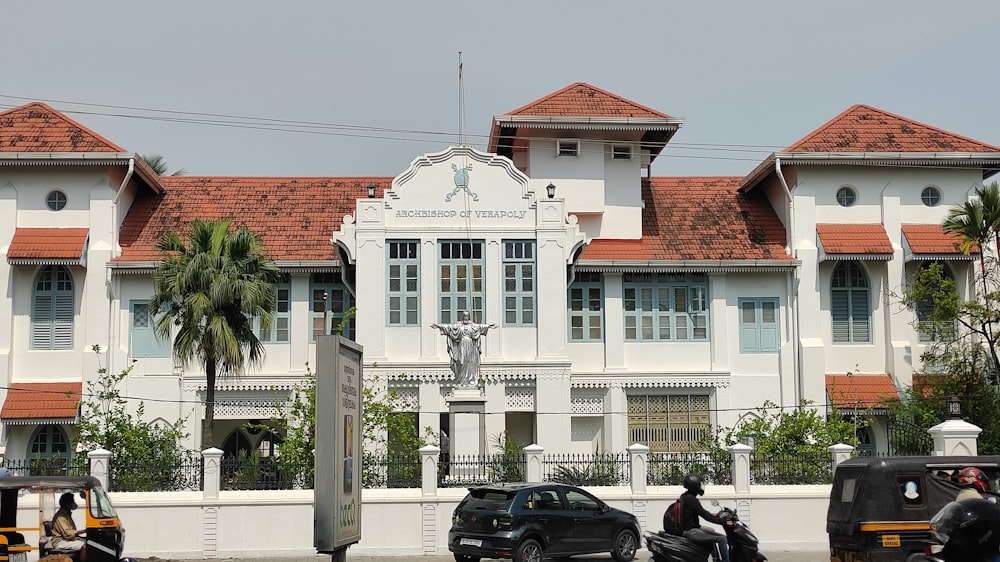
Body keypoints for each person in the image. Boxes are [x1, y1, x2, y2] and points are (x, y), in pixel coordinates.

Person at [431, 311, 496, 387]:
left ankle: (470, 380)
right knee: (461, 362)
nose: (466, 318)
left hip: (470, 346)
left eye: (467, 316)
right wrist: (439, 326)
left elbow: (480, 327)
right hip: (461, 346)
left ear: (469, 317)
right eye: (464, 316)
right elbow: (449, 328)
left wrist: (488, 326)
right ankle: (461, 381)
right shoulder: (459, 326)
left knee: (470, 362)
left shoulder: (472, 326)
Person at [679, 474, 733, 562]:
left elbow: (698, 512)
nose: (701, 487)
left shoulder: (685, 496)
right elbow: (706, 516)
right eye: (699, 484)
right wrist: (724, 522)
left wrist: (714, 514)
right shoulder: (691, 500)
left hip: (688, 528)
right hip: (691, 531)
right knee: (722, 538)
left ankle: (715, 559)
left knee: (711, 531)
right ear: (695, 486)